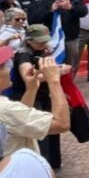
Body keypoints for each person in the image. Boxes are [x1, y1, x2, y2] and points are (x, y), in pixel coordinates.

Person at [0, 48, 70, 155]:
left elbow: (19, 119)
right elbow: (61, 124)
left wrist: (31, 89)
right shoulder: (3, 109)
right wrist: (54, 80)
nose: (8, 69)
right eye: (3, 67)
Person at [9, 25, 67, 170]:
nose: (43, 44)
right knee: (40, 134)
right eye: (40, 41)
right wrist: (55, 74)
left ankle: (54, 163)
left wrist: (57, 69)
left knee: (53, 130)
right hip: (29, 97)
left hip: (43, 95)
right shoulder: (23, 55)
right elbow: (28, 77)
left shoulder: (42, 51)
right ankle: (42, 167)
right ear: (29, 41)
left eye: (45, 40)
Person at [34, 0, 88, 71]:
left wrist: (71, 8)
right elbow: (37, 18)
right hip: (52, 40)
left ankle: (69, 84)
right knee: (53, 67)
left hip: (70, 39)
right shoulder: (46, 0)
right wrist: (51, 10)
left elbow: (84, 12)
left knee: (71, 67)